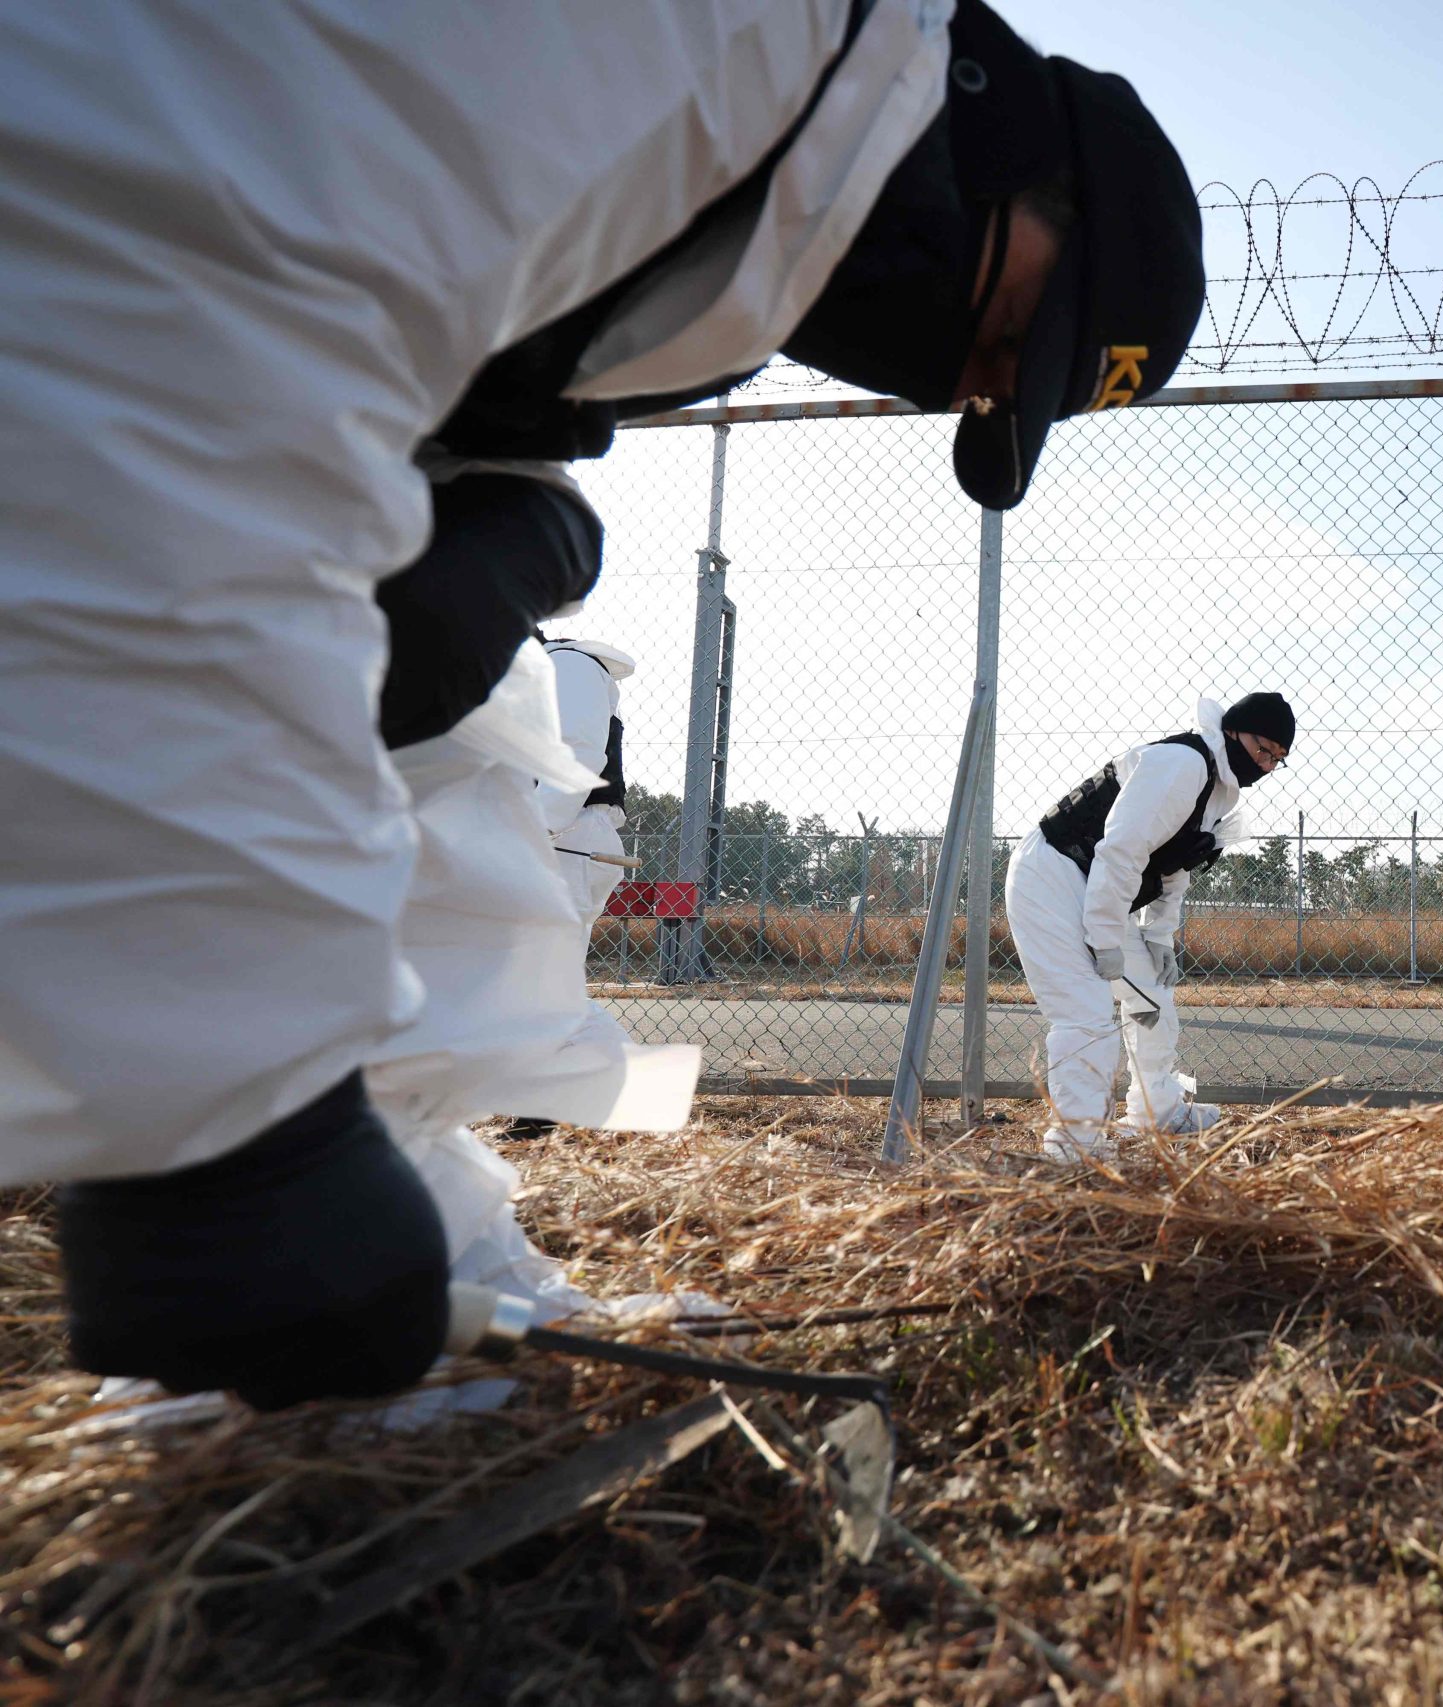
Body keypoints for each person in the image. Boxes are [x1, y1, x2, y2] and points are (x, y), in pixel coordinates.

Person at [3, 0, 1204, 1409]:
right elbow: (145, 355)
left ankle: (417, 1214)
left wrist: (490, 480)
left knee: (465, 709)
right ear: (1012, 148)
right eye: (1013, 333)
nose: (975, 378)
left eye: (996, 390)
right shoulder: (718, 37)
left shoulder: (744, 185)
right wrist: (229, 1132)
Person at [1006, 694, 1295, 1162]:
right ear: (1235, 732)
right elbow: (1120, 850)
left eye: (1276, 761)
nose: (1264, 766)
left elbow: (1174, 865)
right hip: (1053, 875)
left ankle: (1155, 1113)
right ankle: (1075, 1149)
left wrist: (1159, 936)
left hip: (1099, 889)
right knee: (1086, 1014)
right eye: (1263, 750)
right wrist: (1103, 938)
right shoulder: (1182, 764)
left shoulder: (1215, 791)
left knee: (1151, 999)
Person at [538, 634, 640, 932]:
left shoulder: (567, 663)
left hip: (566, 833)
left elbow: (578, 752)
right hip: (555, 832)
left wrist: (534, 825)